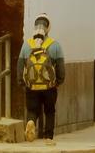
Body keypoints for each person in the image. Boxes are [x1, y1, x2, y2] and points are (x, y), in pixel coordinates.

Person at [18, 13, 65, 142]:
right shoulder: (55, 45)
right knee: (49, 111)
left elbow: (20, 64)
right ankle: (48, 136)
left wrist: (22, 82)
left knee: (32, 109)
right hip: (49, 86)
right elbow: (61, 67)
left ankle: (31, 122)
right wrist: (59, 81)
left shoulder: (27, 45)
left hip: (31, 85)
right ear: (48, 28)